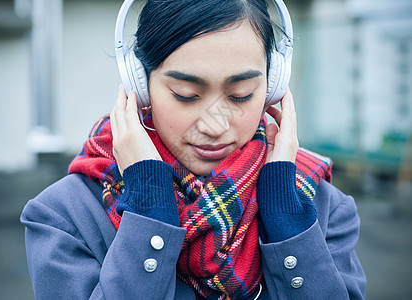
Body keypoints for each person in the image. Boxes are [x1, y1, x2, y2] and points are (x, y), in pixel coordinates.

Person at [20, 0, 366, 299]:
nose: (215, 125)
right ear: (139, 86)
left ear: (273, 85)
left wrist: (285, 217)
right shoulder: (64, 217)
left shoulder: (323, 207)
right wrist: (149, 213)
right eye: (186, 95)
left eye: (241, 94)